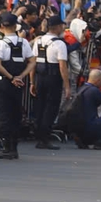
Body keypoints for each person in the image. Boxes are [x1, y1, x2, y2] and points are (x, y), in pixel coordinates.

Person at [0, 12, 29, 159]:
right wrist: (21, 76)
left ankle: (6, 148)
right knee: (15, 114)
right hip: (19, 82)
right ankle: (13, 147)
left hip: (4, 81)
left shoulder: (0, 43)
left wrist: (11, 78)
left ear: (3, 26)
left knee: (4, 114)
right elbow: (32, 61)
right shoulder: (24, 42)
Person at [29, 19, 70, 149]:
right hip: (53, 77)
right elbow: (62, 67)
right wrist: (67, 86)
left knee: (40, 107)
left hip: (40, 77)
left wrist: (32, 82)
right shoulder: (60, 44)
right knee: (51, 108)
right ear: (57, 27)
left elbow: (33, 63)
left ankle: (39, 135)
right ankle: (44, 137)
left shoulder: (39, 41)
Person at [67, 67, 101, 149]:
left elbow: (94, 102)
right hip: (89, 126)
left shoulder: (82, 88)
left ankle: (83, 140)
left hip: (79, 128)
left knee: (98, 120)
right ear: (97, 80)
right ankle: (100, 143)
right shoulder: (93, 90)